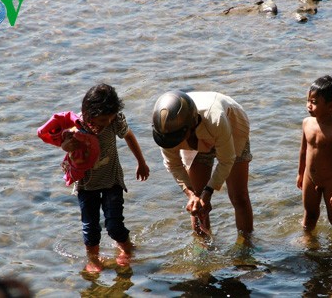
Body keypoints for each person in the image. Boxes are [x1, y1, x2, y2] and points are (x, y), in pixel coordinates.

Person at [38, 84, 150, 270]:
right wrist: (67, 147)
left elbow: (129, 136)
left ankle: (127, 249)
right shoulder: (76, 128)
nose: (104, 124)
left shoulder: (114, 122)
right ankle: (93, 259)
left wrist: (141, 162)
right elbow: (64, 145)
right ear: (88, 115)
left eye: (108, 119)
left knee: (114, 225)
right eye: (101, 120)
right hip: (86, 185)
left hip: (111, 180)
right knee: (90, 228)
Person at [152, 91, 253, 238]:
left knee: (239, 196)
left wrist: (209, 191)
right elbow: (173, 165)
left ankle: (246, 246)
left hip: (231, 126)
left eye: (177, 139)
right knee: (197, 203)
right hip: (193, 133)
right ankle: (203, 248)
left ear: (191, 127)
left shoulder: (216, 119)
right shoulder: (166, 129)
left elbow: (226, 161)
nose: (174, 144)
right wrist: (191, 194)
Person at [296, 75, 332, 235]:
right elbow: (303, 150)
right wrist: (300, 173)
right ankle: (308, 242)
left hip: (330, 181)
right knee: (309, 214)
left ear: (331, 106)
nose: (309, 106)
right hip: (309, 177)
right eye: (308, 101)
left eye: (314, 102)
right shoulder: (306, 123)